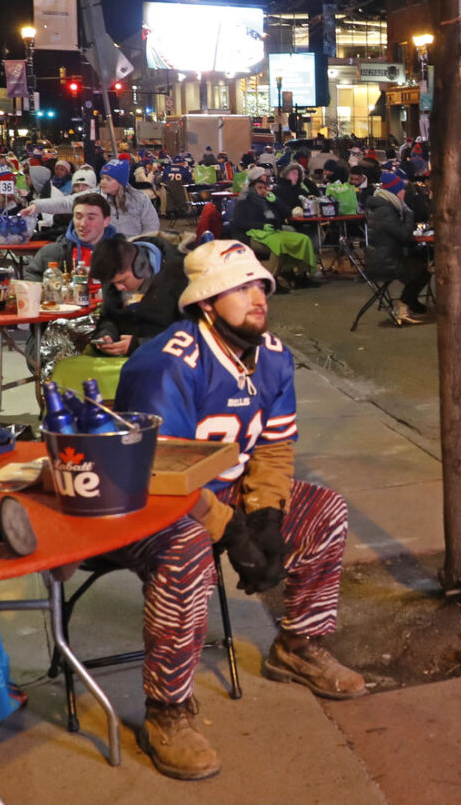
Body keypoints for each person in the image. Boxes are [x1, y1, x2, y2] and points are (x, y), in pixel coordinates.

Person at [114, 241, 364, 779]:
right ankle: (167, 709)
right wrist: (232, 533)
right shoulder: (164, 363)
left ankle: (298, 645)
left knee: (325, 512)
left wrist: (267, 516)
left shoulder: (272, 354)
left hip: (220, 496)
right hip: (146, 505)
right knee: (185, 553)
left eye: (261, 286)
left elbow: (273, 448)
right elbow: (162, 478)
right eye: (241, 287)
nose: (259, 296)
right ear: (206, 302)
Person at [88, 232, 188, 355]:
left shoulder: (180, 277)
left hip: (166, 360)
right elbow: (109, 317)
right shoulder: (113, 278)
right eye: (113, 283)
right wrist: (106, 335)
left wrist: (140, 345)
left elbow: (190, 333)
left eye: (123, 281)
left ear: (141, 266)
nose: (119, 288)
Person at [229, 167, 321, 289]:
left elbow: (287, 213)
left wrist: (276, 201)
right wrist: (261, 226)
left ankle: (302, 275)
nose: (263, 191)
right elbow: (238, 221)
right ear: (252, 188)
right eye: (259, 188)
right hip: (249, 235)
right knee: (277, 245)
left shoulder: (268, 199)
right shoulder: (244, 201)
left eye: (264, 187)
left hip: (273, 232)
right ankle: (272, 280)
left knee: (303, 239)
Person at [364, 167, 432, 325]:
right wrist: (408, 213)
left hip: (386, 255)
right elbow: (404, 235)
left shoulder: (382, 206)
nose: (404, 194)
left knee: (424, 257)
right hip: (385, 261)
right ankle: (403, 304)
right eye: (402, 191)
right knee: (425, 268)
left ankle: (410, 301)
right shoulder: (385, 210)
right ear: (395, 192)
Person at [26, 192, 116, 280]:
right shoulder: (52, 252)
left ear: (106, 221)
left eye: (91, 218)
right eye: (78, 217)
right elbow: (31, 278)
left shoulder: (121, 254)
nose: (83, 224)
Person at [96, 157, 161, 237]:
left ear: (121, 182)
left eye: (108, 179)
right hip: (104, 246)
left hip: (134, 245)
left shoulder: (139, 198)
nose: (103, 182)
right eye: (102, 178)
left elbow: (151, 226)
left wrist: (142, 245)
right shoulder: (95, 199)